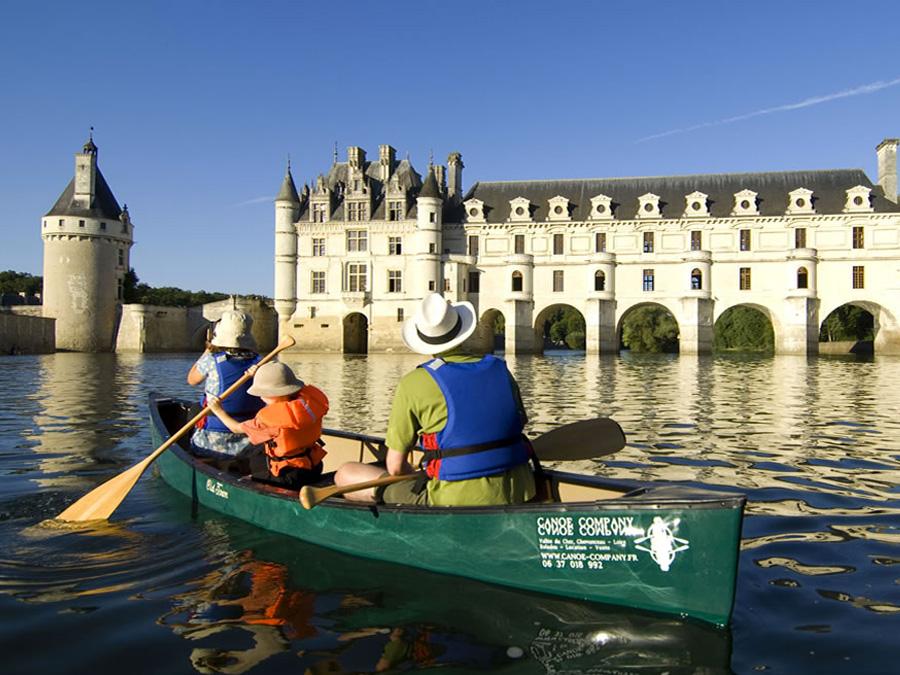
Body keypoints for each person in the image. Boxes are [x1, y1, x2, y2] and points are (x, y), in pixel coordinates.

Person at [333, 293, 536, 506]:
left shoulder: (413, 383)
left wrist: (414, 471)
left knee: (345, 474)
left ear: (422, 339)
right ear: (462, 331)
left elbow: (394, 467)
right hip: (521, 489)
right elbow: (517, 424)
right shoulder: (500, 369)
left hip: (452, 497)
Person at [207, 361, 329, 489]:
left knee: (244, 481)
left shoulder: (268, 422)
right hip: (314, 466)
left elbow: (236, 428)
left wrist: (218, 410)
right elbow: (284, 384)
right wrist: (259, 375)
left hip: (287, 475)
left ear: (271, 395)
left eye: (262, 393)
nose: (260, 396)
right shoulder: (307, 403)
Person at [188, 310, 264, 458]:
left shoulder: (211, 360)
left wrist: (209, 348)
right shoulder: (260, 362)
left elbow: (192, 380)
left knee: (195, 409)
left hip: (211, 443)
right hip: (250, 443)